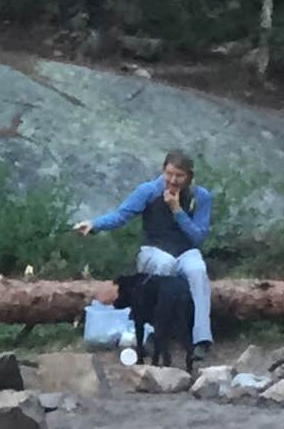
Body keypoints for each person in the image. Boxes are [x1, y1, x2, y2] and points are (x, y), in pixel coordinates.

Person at [73, 150, 213, 365]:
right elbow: (121, 215)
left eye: (179, 176)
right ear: (163, 170)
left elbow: (198, 236)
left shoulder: (199, 196)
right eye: (169, 174)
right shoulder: (148, 191)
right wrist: (94, 225)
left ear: (189, 177)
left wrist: (177, 211)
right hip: (153, 250)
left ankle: (201, 339)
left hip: (185, 250)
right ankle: (153, 332)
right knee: (165, 265)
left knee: (197, 270)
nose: (173, 180)